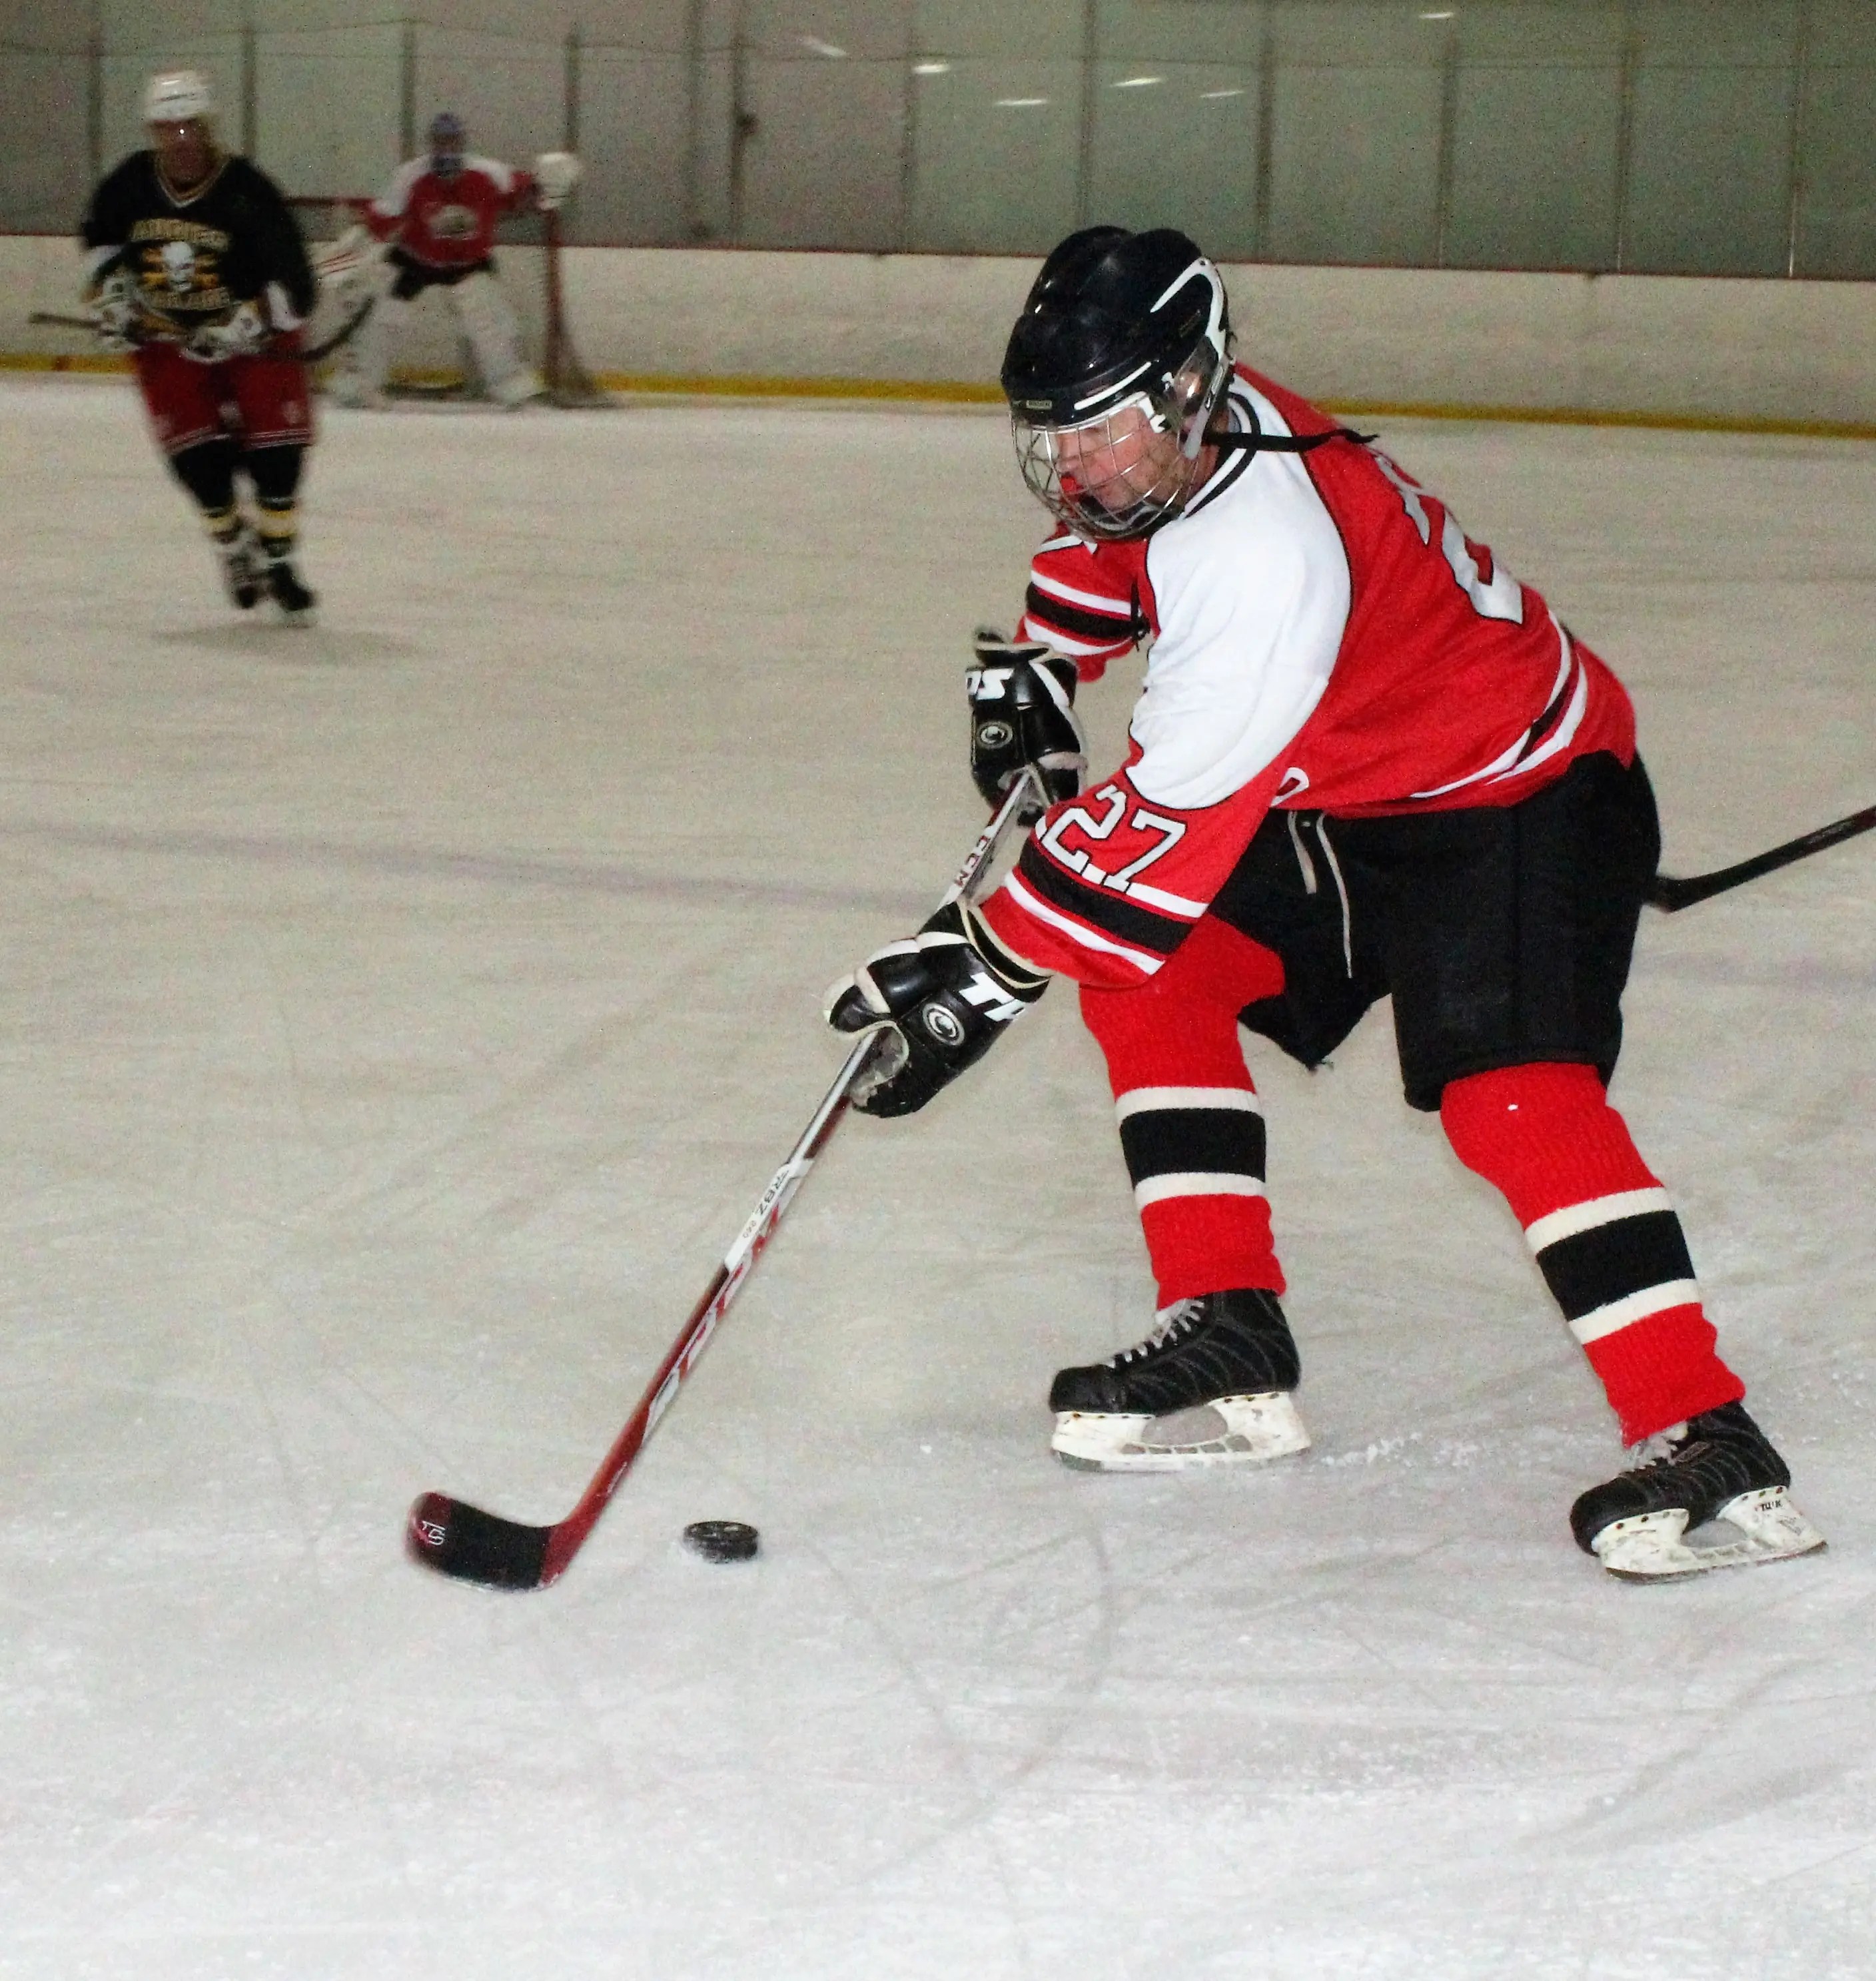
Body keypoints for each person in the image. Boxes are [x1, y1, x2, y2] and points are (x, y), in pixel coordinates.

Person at [825, 226, 1825, 1581]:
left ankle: (1706, 1431)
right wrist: (1043, 661)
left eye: (1103, 430)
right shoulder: (1187, 436)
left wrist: (978, 973)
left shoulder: (1261, 560)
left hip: (1518, 790)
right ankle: (1231, 1321)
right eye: (1056, 433)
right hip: (1356, 785)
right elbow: (1115, 554)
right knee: (1147, 973)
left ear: (1182, 388)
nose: (1077, 465)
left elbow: (1152, 840)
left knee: (1507, 1095)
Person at [79, 68, 319, 621]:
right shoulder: (129, 184)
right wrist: (110, 296)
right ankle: (235, 545)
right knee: (198, 462)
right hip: (165, 337)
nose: (180, 140)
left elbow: (299, 284)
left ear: (208, 127)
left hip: (251, 336)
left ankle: (279, 560)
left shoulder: (248, 190)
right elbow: (99, 242)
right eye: (168, 129)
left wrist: (249, 320)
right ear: (152, 131)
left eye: (190, 127)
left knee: (278, 455)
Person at [332, 115, 580, 409]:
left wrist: (547, 188)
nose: (446, 148)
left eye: (452, 141)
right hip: (416, 258)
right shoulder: (411, 176)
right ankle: (360, 383)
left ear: (462, 143)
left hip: (470, 262)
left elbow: (527, 194)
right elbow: (383, 217)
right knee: (383, 318)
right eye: (440, 141)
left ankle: (510, 383)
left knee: (488, 319)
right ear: (431, 144)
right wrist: (355, 242)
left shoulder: (488, 173)